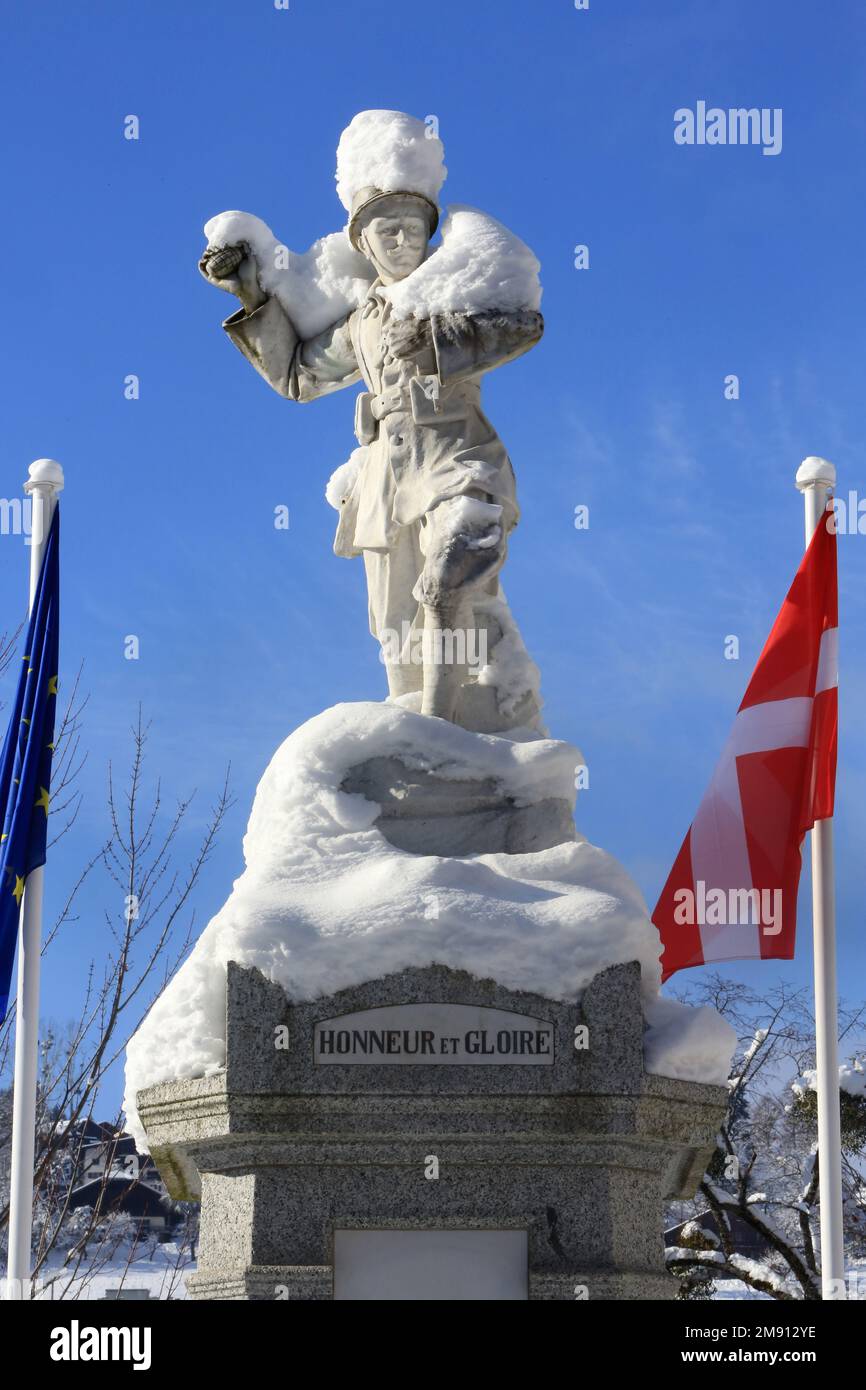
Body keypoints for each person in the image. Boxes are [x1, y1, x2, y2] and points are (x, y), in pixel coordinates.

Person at [200, 185, 543, 726]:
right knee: (397, 623)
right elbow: (297, 377)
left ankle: (445, 726)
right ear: (364, 242)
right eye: (388, 230)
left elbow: (524, 326)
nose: (403, 239)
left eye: (414, 228)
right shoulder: (363, 320)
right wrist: (249, 294)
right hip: (385, 478)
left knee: (449, 582)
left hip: (456, 456)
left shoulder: (449, 292)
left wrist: (437, 337)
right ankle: (417, 727)